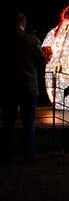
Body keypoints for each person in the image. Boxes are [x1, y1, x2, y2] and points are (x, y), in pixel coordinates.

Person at [0, 11, 47, 164]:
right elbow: (41, 63)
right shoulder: (32, 40)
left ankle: (6, 154)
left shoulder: (4, 40)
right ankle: (29, 155)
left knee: (8, 123)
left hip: (8, 87)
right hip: (27, 87)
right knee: (28, 122)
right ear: (23, 24)